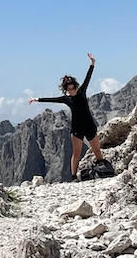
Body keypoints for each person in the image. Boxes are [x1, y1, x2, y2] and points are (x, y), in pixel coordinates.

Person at [28, 52, 107, 180]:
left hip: (89, 126)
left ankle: (103, 170)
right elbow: (52, 99)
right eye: (69, 89)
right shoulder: (66, 99)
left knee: (97, 150)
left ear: (76, 86)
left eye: (73, 88)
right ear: (66, 89)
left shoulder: (82, 92)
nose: (72, 90)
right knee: (76, 154)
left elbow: (88, 78)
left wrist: (92, 63)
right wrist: (36, 99)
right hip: (77, 129)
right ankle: (74, 177)